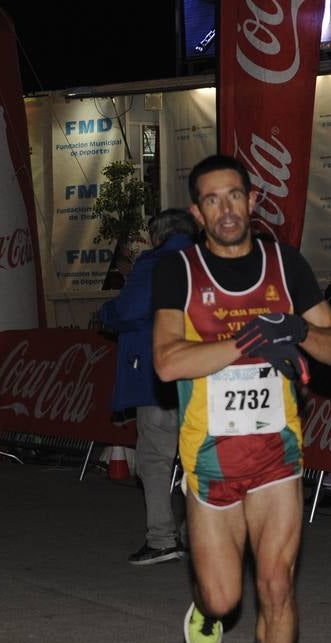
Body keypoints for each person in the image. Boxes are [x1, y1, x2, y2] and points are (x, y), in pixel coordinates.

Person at [152, 154, 331, 643]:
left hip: (277, 457)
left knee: (276, 586)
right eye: (212, 200)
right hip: (211, 460)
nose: (226, 209)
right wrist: (244, 340)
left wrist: (292, 329)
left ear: (252, 199)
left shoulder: (285, 266)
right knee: (225, 599)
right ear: (197, 212)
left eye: (234, 195)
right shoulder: (178, 272)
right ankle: (207, 613)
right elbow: (167, 362)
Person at [96, 209, 199, 566]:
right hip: (205, 372)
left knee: (155, 458)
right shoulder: (210, 262)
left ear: (158, 235)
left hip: (161, 374)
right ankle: (199, 536)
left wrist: (106, 312)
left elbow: (129, 310)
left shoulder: (156, 262)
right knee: (198, 459)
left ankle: (162, 538)